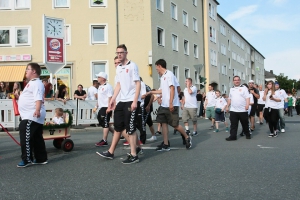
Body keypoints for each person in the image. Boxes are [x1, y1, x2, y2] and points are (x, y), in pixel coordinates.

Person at [97, 44, 142, 164]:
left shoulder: (132, 66)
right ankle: (113, 151)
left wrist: (135, 101)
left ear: (126, 53)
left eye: (121, 52)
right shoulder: (119, 68)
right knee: (118, 125)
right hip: (122, 101)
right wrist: (113, 99)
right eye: (117, 53)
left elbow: (138, 84)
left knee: (130, 128)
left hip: (131, 99)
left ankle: (134, 154)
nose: (119, 54)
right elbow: (119, 85)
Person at [146, 59, 192, 151]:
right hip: (164, 105)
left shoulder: (169, 74)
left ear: (159, 66)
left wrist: (171, 102)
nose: (156, 70)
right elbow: (162, 90)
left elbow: (172, 88)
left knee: (174, 125)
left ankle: (187, 137)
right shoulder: (163, 77)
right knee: (163, 123)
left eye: (156, 68)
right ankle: (166, 144)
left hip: (171, 104)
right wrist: (151, 92)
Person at [17, 62, 48, 167]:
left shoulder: (36, 83)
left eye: (28, 69)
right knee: (36, 136)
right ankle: (41, 158)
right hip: (30, 114)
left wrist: (37, 109)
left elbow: (38, 97)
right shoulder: (32, 82)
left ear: (34, 71)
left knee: (25, 132)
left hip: (32, 114)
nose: (26, 71)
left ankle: (27, 159)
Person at [225, 75, 250, 141]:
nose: (237, 81)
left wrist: (247, 105)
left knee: (245, 124)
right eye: (235, 80)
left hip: (243, 110)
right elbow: (229, 99)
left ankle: (247, 134)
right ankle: (233, 136)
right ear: (233, 81)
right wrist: (227, 106)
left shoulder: (244, 88)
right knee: (233, 124)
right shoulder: (231, 89)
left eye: (238, 80)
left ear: (240, 81)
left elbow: (247, 97)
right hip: (233, 110)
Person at [94, 72, 114, 147]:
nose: (97, 78)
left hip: (106, 107)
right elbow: (100, 98)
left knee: (105, 123)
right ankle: (115, 133)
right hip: (101, 107)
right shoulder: (100, 86)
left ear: (103, 78)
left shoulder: (108, 86)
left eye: (99, 77)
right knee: (102, 122)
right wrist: (96, 106)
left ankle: (104, 140)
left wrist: (109, 108)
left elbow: (110, 97)